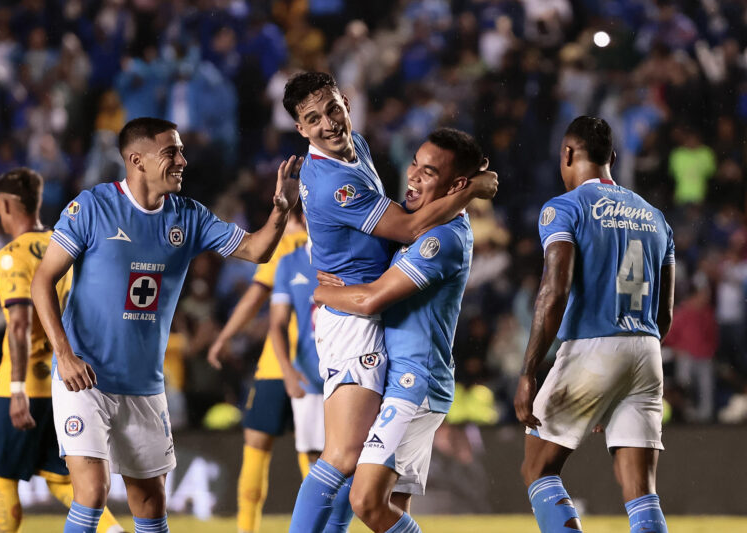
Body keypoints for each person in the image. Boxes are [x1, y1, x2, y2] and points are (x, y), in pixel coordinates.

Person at [31, 117, 300, 533]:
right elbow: (42, 282)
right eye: (171, 152)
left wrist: (281, 209)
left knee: (151, 501)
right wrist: (64, 356)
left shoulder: (189, 216)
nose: (182, 160)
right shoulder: (92, 207)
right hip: (84, 377)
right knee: (92, 490)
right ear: (137, 160)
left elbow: (256, 249)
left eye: (181, 151)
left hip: (144, 383)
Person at [282, 71, 497, 532]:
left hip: (373, 314)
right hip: (353, 313)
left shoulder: (354, 146)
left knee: (366, 475)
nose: (329, 124)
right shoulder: (331, 183)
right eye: (313, 119)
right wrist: (470, 192)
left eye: (333, 109)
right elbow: (406, 228)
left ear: (346, 100)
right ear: (301, 130)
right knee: (341, 457)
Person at [313, 128, 482, 533]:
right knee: (390, 511)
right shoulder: (420, 225)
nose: (413, 177)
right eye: (414, 164)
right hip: (407, 380)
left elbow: (371, 299)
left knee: (365, 501)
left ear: (455, 185)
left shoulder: (440, 240)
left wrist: (321, 291)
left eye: (428, 172)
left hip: (415, 382)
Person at [514, 116, 674, 533]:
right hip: (646, 349)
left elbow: (555, 291)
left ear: (567, 153)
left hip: (593, 348)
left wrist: (529, 371)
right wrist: (619, 379)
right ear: (613, 159)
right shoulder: (655, 217)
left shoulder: (563, 208)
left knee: (538, 469)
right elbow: (665, 315)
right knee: (640, 489)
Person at [0, 168, 124, 533]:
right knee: (63, 480)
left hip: (17, 387)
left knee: (0, 477)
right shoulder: (63, 243)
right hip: (62, 383)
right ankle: (113, 531)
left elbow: (20, 324)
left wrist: (19, 389)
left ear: (7, 206)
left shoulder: (12, 255)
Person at [206, 205, 309, 533]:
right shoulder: (333, 246)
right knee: (318, 458)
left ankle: (246, 529)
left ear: (296, 218)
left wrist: (225, 336)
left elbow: (255, 296)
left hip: (275, 368)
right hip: (319, 371)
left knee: (256, 449)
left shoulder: (287, 249)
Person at [269, 242, 354, 531]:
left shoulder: (349, 250)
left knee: (348, 456)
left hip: (349, 373)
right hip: (308, 376)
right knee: (315, 455)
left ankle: (333, 525)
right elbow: (277, 322)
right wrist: (287, 370)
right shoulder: (289, 263)